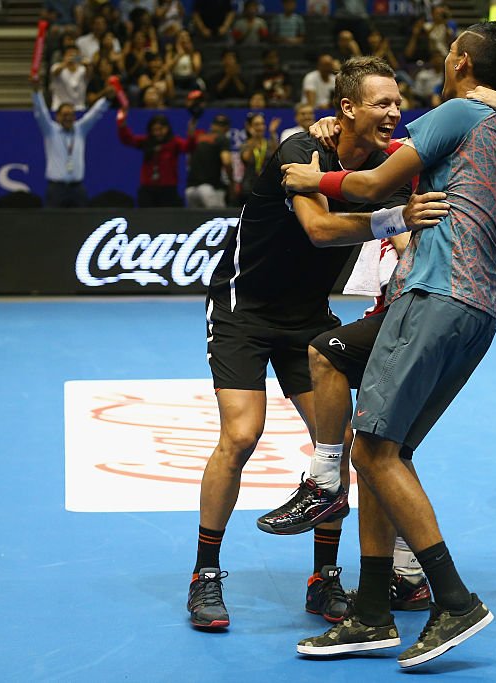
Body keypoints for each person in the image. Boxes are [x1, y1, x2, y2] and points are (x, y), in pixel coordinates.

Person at [280, 22, 496, 667]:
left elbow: (374, 186)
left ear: (460, 62)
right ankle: (373, 613)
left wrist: (308, 180)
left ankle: (455, 599)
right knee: (387, 450)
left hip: (434, 295)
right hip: (478, 312)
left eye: (448, 51)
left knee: (372, 450)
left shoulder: (456, 111)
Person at [186, 55, 448, 632]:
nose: (396, 112)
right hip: (244, 310)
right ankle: (205, 574)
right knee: (241, 434)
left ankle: (323, 577)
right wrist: (391, 220)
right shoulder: (299, 151)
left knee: (340, 438)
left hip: (308, 316)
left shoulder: (381, 167)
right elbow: (319, 229)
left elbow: (429, 198)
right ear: (347, 109)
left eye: (398, 102)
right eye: (383, 103)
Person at [31, 80, 110, 208]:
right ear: (57, 117)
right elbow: (41, 112)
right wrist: (36, 92)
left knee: (83, 223)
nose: (68, 117)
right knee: (51, 223)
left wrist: (106, 99)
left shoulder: (80, 129)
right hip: (56, 188)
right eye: (65, 115)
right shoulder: (50, 130)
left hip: (77, 188)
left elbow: (94, 114)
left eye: (72, 115)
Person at [117, 112, 196, 206]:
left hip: (168, 189)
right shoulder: (146, 141)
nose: (157, 133)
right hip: (147, 189)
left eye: (161, 129)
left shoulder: (174, 142)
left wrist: (191, 135)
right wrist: (122, 126)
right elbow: (128, 140)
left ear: (167, 128)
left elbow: (188, 147)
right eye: (154, 130)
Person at [185, 113, 234, 207]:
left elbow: (189, 160)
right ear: (227, 128)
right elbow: (226, 161)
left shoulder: (199, 138)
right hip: (209, 189)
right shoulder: (222, 139)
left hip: (190, 189)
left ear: (212, 126)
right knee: (216, 220)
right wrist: (232, 182)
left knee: (194, 221)